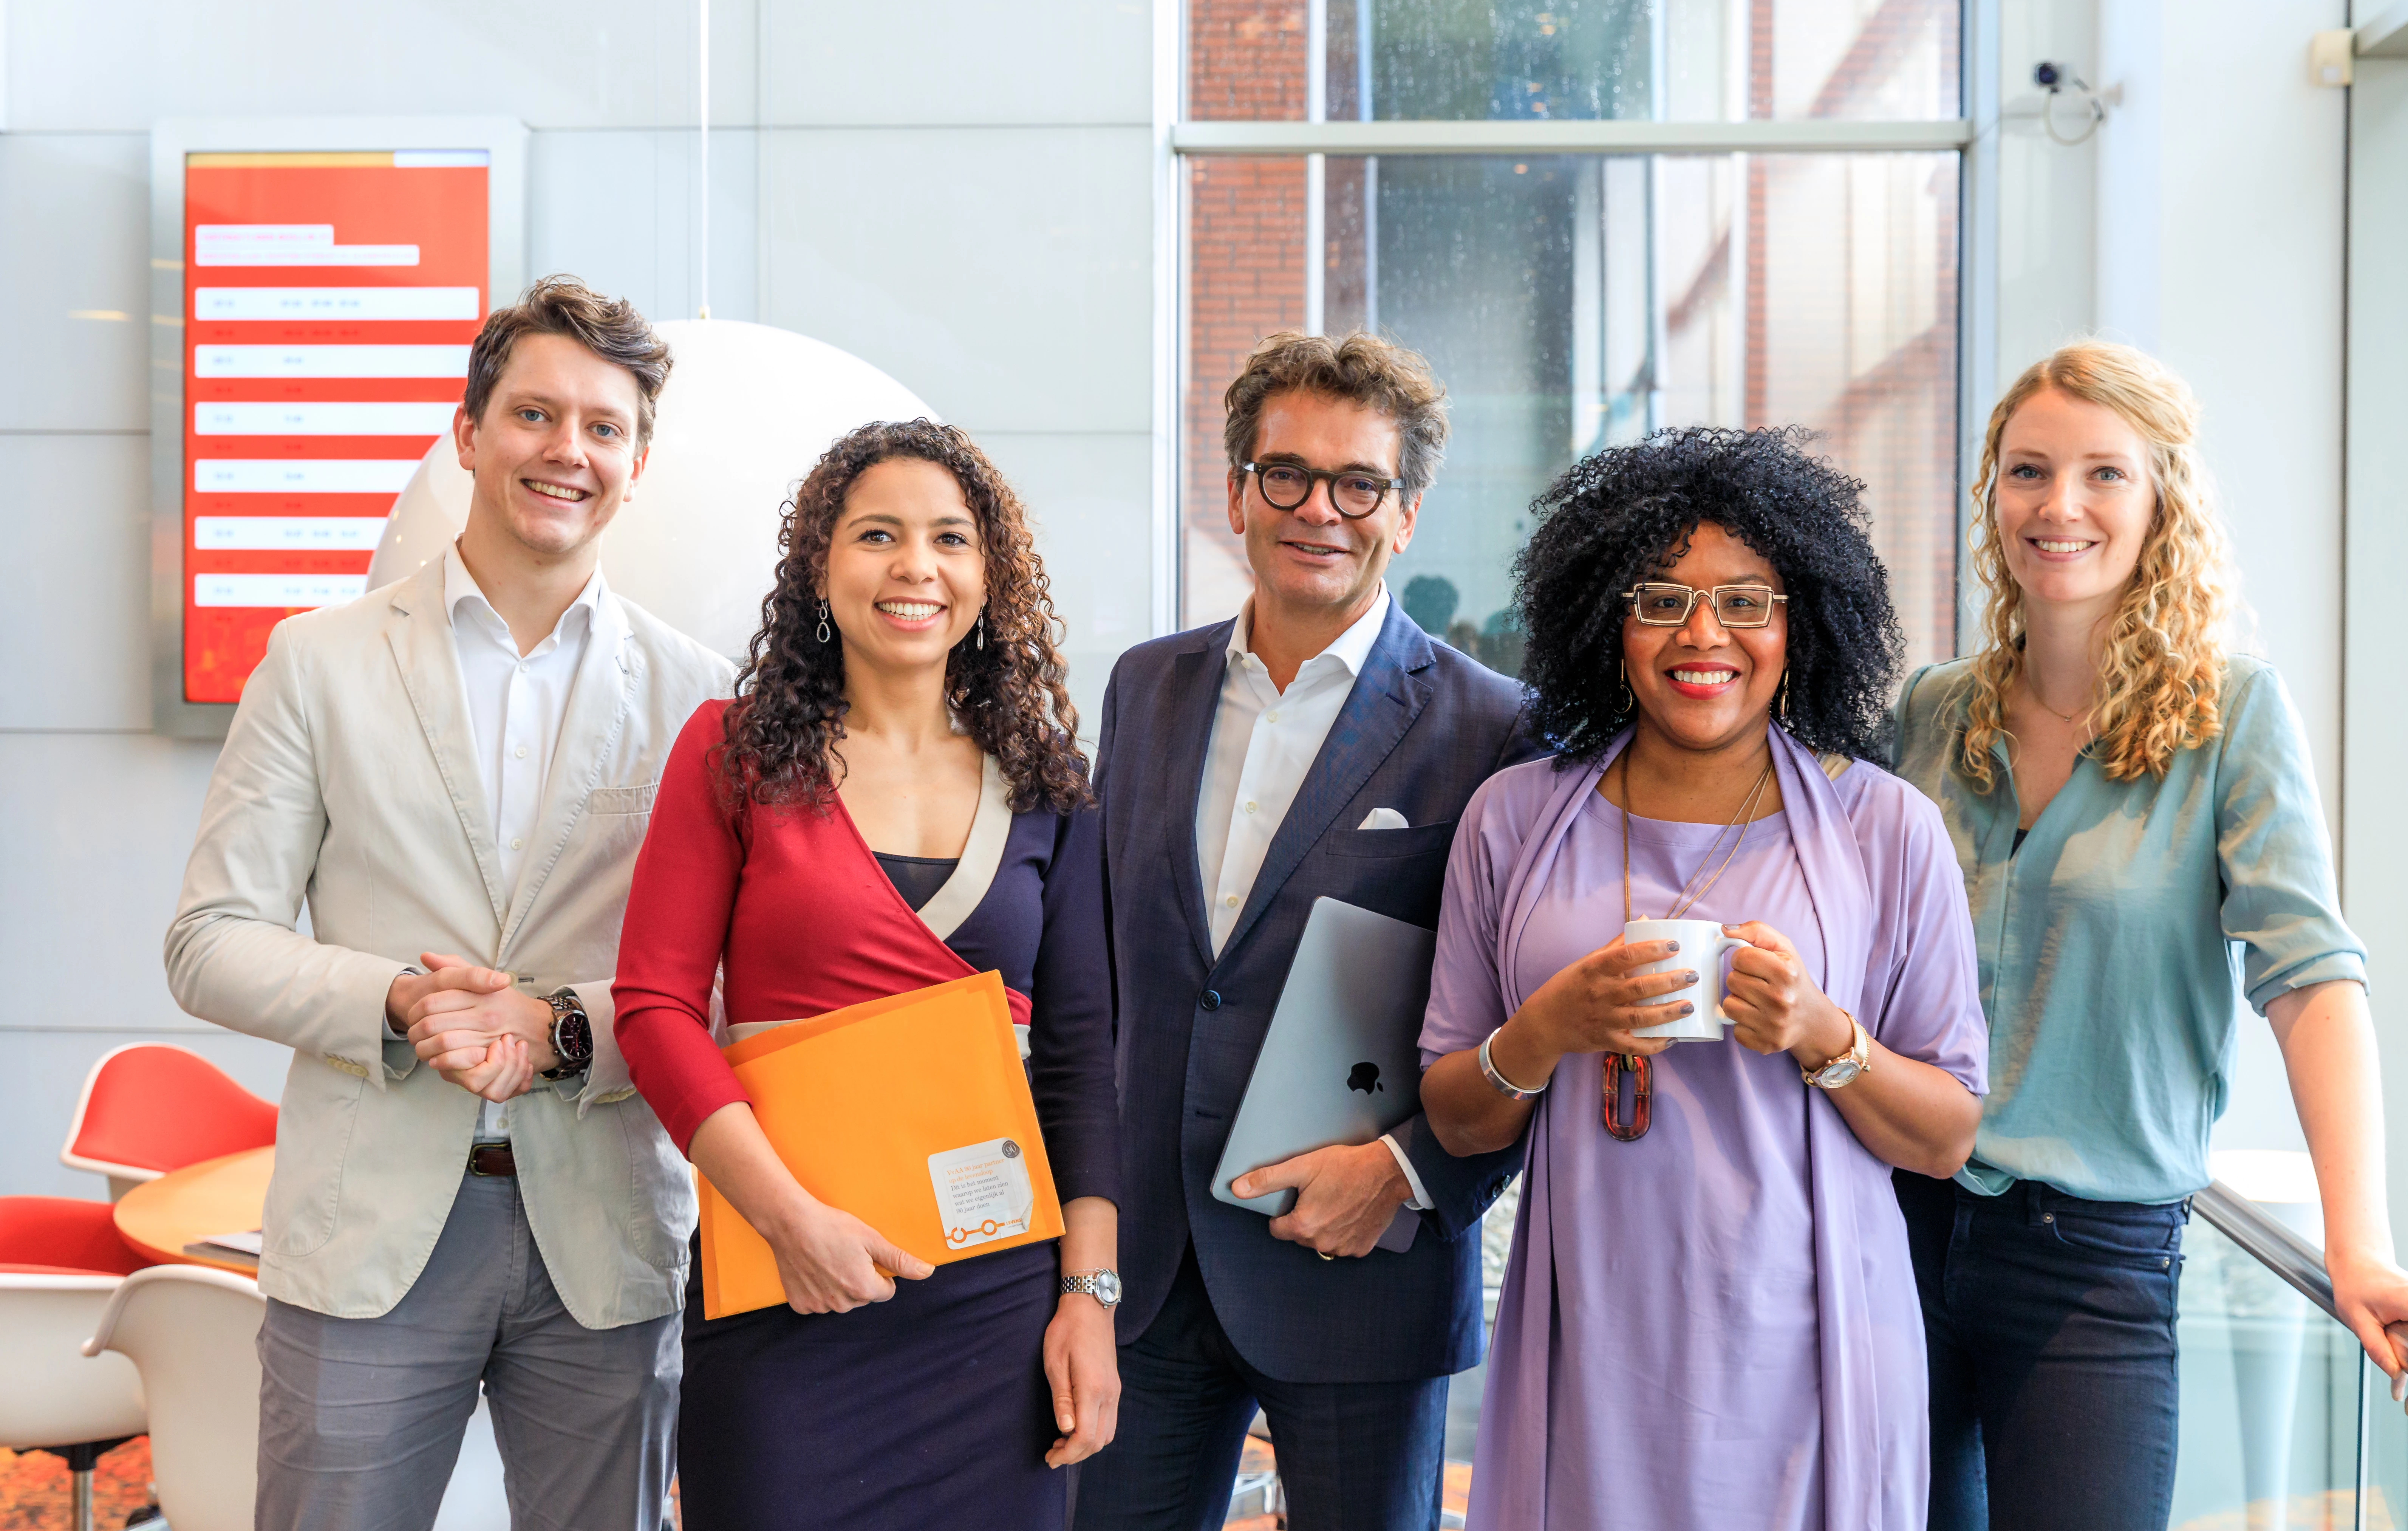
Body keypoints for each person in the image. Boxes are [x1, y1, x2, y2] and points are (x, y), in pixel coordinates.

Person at [165, 276, 732, 1529]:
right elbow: (209, 941)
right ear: (469, 434)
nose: (565, 451)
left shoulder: (705, 696)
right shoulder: (316, 662)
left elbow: (731, 971)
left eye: (602, 426)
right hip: (366, 1230)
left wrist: (568, 1026)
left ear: (637, 463)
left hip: (610, 1228)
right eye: (534, 414)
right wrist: (399, 998)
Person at [1889, 340, 2408, 1531]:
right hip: (1894, 1232)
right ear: (1991, 493)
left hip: (2088, 1264)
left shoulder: (2231, 714)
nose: (2058, 506)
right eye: (2026, 471)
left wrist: (2357, 1245)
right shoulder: (1929, 711)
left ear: (2161, 499)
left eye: (2104, 474)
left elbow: (2310, 981)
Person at [1416, 425, 1989, 1530]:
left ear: (1799, 623)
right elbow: (1457, 1116)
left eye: (1746, 601)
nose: (1703, 635)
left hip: (1814, 1341)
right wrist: (1543, 1030)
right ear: (1606, 622)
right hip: (1589, 1335)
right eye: (1659, 598)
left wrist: (1826, 1034)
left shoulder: (1885, 829)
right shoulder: (1517, 817)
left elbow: (1945, 1135)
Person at [608, 420, 1120, 1529]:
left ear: (990, 575)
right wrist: (790, 1219)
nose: (915, 567)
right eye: (876, 534)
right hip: (780, 1286)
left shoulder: (1049, 784)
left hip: (995, 1308)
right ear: (820, 565)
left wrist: (1088, 1297)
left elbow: (1082, 1062)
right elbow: (653, 1010)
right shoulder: (733, 751)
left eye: (949, 538)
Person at [1073, 333, 1537, 1531]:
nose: (1317, 509)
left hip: (1359, 1266)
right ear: (1235, 493)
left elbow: (1523, 1026)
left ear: (1406, 513)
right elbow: (1113, 983)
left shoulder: (1494, 731)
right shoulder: (1141, 687)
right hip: (1148, 1274)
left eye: (1357, 484)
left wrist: (1410, 1176)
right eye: (1284, 474)